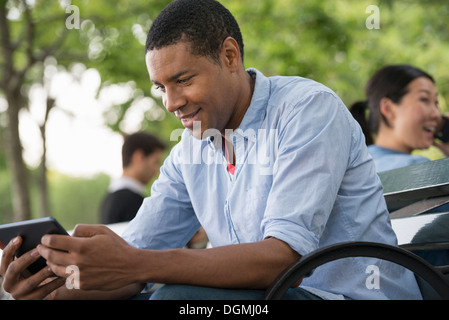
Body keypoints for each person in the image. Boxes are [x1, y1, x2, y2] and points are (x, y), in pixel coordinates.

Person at [0, 0, 422, 300]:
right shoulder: (190, 150)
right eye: (161, 88)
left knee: (173, 298)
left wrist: (135, 265)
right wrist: (52, 292)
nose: (170, 102)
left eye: (183, 80)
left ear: (230, 55)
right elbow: (132, 266)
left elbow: (281, 262)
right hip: (263, 297)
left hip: (341, 295)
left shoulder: (307, 109)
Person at [349, 64, 449, 172]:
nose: (437, 114)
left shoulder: (353, 167)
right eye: (424, 99)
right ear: (388, 108)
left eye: (436, 102)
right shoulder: (416, 167)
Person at [99, 132, 166, 224]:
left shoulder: (108, 200)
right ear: (139, 157)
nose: (157, 170)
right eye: (156, 162)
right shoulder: (133, 202)